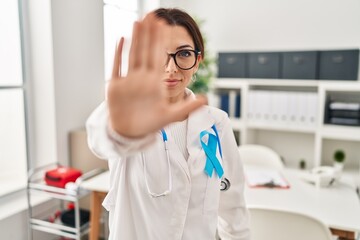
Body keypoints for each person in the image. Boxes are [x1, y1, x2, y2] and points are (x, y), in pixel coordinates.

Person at [86, 7, 250, 240]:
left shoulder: (216, 122)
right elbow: (100, 139)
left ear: (197, 61)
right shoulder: (128, 117)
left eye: (183, 54)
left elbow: (233, 209)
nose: (171, 68)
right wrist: (121, 130)